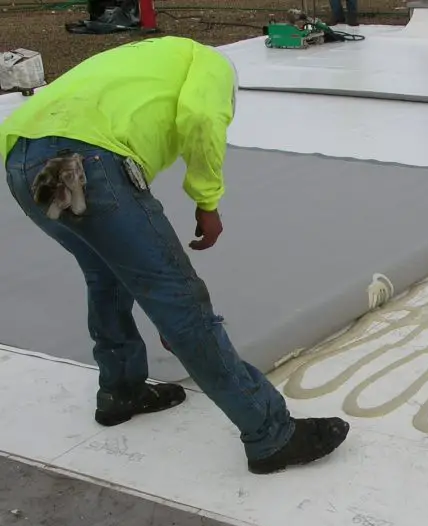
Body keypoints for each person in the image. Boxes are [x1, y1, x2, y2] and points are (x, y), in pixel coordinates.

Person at [0, 36, 349, 475]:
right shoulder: (211, 63)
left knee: (105, 277)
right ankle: (270, 434)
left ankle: (121, 388)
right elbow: (202, 117)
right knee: (179, 302)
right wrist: (207, 201)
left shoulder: (131, 59)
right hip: (84, 161)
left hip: (19, 161)